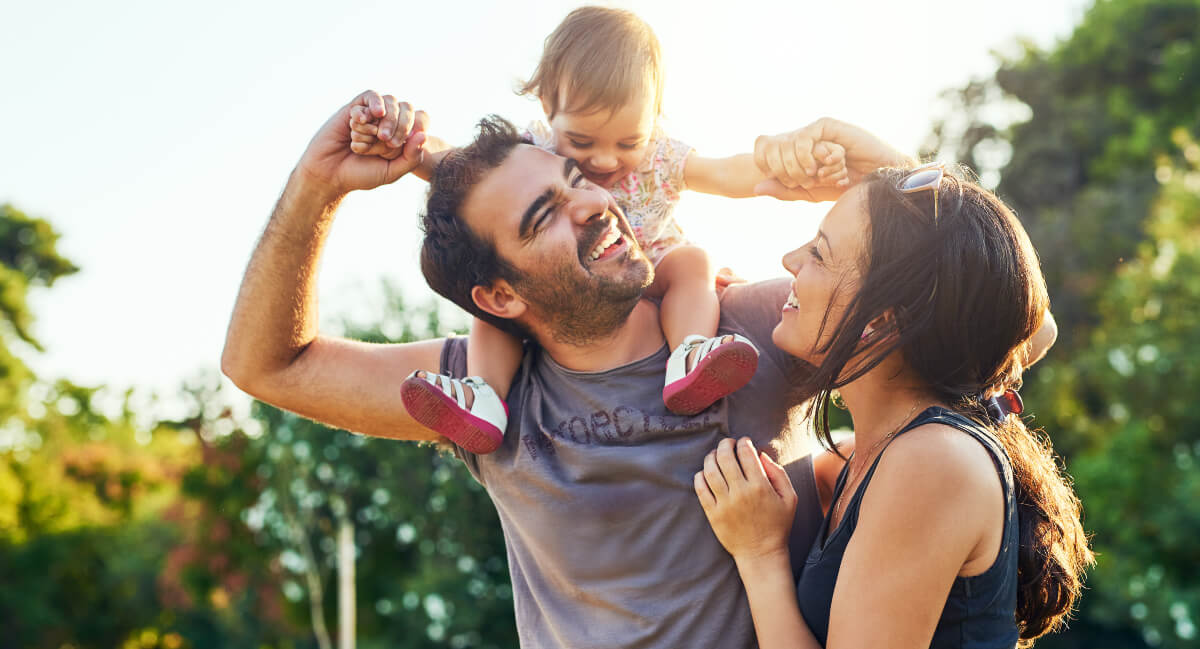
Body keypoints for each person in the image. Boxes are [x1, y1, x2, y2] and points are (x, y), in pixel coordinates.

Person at [221, 89, 1053, 647]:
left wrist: (882, 166)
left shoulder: (756, 328)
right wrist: (317, 184)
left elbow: (996, 315)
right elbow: (268, 364)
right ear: (499, 297)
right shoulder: (481, 393)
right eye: (548, 213)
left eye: (576, 176)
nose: (593, 201)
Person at [345, 6, 848, 453]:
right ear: (547, 107)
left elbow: (723, 172)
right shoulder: (533, 152)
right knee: (498, 308)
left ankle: (690, 353)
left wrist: (788, 167)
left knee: (694, 262)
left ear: (654, 119)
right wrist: (397, 136)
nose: (605, 160)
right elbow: (452, 163)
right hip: (571, 284)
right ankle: (483, 396)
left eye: (628, 141)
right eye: (582, 141)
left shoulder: (660, 157)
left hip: (649, 268)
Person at [693, 162, 1093, 648]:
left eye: (819, 252)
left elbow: (1025, 320)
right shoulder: (878, 458)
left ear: (881, 320)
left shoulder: (932, 462)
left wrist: (760, 555)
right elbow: (1009, 314)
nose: (789, 259)